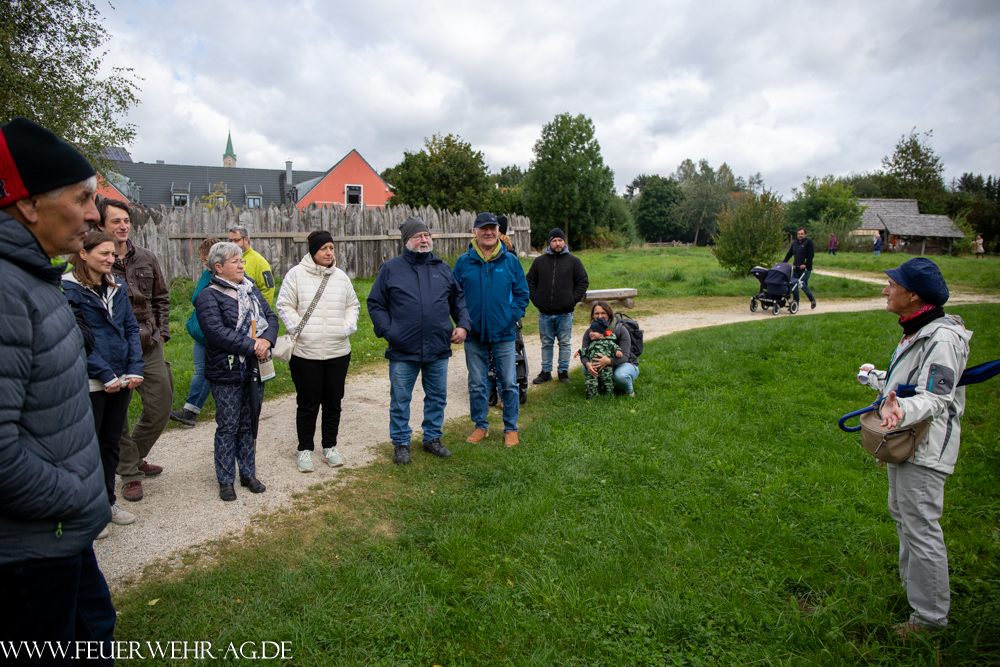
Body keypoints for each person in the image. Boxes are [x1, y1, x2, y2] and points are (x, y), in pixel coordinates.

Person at [0, 118, 116, 660]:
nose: (96, 215)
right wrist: (78, 496)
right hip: (30, 556)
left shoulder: (29, 277)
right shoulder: (5, 291)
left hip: (59, 539)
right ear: (27, 204)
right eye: (84, 198)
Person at [858, 257, 971, 637]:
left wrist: (901, 408)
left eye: (893, 285)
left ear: (915, 295)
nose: (886, 290)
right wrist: (876, 379)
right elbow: (905, 385)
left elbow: (936, 398)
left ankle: (929, 621)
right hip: (906, 439)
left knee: (920, 526)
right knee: (904, 517)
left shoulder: (943, 338)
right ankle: (915, 596)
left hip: (925, 447)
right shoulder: (918, 330)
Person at [367, 217, 471, 464]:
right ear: (407, 241)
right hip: (403, 349)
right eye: (418, 236)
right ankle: (401, 443)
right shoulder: (391, 268)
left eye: (426, 235)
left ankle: (432, 438)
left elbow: (459, 302)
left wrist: (464, 325)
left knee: (437, 396)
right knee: (401, 399)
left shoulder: (443, 269)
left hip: (437, 347)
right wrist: (389, 332)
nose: (424, 240)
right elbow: (376, 304)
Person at [63, 231, 145, 539]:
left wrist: (134, 368)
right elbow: (78, 336)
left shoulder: (117, 287)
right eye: (104, 255)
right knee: (88, 446)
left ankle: (108, 503)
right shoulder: (68, 288)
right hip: (92, 380)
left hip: (121, 378)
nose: (111, 260)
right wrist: (104, 373)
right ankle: (86, 510)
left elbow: (129, 328)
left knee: (110, 443)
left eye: (113, 255)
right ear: (83, 254)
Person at [96, 198, 171, 502]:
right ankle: (129, 472)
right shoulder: (94, 261)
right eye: (115, 221)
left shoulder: (146, 257)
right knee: (119, 415)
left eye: (125, 220)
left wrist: (162, 333)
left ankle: (130, 455)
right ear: (101, 226)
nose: (123, 225)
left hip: (148, 343)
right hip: (112, 348)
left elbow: (162, 298)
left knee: (161, 404)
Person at [195, 242, 278, 501]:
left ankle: (248, 474)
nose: (242, 265)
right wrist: (254, 345)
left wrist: (267, 341)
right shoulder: (209, 295)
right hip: (226, 370)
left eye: (241, 260)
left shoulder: (250, 289)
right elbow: (216, 332)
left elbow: (270, 318)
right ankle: (225, 480)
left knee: (248, 423)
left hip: (254, 367)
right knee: (228, 425)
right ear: (218, 267)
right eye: (235, 262)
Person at [276, 230, 360, 472]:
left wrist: (346, 327)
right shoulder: (296, 275)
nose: (329, 253)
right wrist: (299, 329)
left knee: (333, 402)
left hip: (338, 351)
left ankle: (330, 447)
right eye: (324, 248)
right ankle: (305, 450)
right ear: (313, 251)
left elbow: (352, 304)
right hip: (305, 354)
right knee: (308, 403)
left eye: (332, 248)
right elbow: (284, 304)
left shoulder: (341, 277)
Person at [452, 212, 530, 447]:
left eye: (492, 228)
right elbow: (454, 297)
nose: (488, 232)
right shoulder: (464, 262)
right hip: (474, 335)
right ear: (474, 232)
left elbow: (522, 295)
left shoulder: (510, 262)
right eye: (483, 228)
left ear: (498, 231)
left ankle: (511, 428)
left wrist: (510, 316)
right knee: (476, 383)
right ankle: (480, 426)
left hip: (504, 333)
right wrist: (463, 322)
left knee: (508, 382)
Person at [527, 228, 589, 384]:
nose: (557, 243)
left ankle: (563, 372)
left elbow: (583, 282)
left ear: (564, 242)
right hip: (545, 312)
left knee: (564, 342)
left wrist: (572, 299)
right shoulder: (539, 262)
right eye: (554, 240)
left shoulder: (574, 262)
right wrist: (536, 299)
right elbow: (529, 281)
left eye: (560, 240)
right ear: (550, 243)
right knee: (546, 343)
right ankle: (546, 372)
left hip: (565, 312)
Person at [170, 237, 221, 427]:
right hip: (202, 329)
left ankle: (191, 411)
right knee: (202, 369)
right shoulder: (209, 272)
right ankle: (190, 411)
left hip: (212, 330)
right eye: (203, 260)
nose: (204, 264)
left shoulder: (224, 274)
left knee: (206, 370)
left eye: (206, 259)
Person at [582, 300, 639, 397]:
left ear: (609, 314)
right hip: (603, 365)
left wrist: (608, 361)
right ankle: (601, 386)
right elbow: (584, 353)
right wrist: (587, 364)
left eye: (603, 313)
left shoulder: (620, 329)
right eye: (596, 313)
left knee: (620, 376)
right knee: (585, 369)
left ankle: (629, 391)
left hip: (626, 363)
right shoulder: (590, 332)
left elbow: (625, 356)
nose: (600, 316)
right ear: (592, 315)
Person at [228, 225, 275, 307]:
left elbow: (268, 289)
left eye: (236, 240)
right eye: (230, 240)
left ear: (246, 240)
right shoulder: (227, 260)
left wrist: (261, 311)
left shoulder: (259, 261)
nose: (232, 244)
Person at [575, 318, 622, 398]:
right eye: (590, 331)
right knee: (590, 382)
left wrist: (618, 352)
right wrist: (579, 352)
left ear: (602, 333)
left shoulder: (609, 342)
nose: (591, 333)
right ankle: (591, 396)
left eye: (594, 331)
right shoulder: (592, 344)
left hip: (606, 369)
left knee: (607, 383)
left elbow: (615, 347)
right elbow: (586, 350)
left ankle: (609, 396)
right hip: (593, 368)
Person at [783, 227, 816, 309]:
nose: (800, 235)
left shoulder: (808, 243)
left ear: (805, 234)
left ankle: (812, 300)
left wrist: (805, 264)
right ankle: (795, 304)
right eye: (798, 234)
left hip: (805, 269)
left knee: (803, 285)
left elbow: (811, 255)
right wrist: (783, 263)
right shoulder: (795, 244)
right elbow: (789, 254)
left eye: (802, 234)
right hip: (796, 268)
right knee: (793, 286)